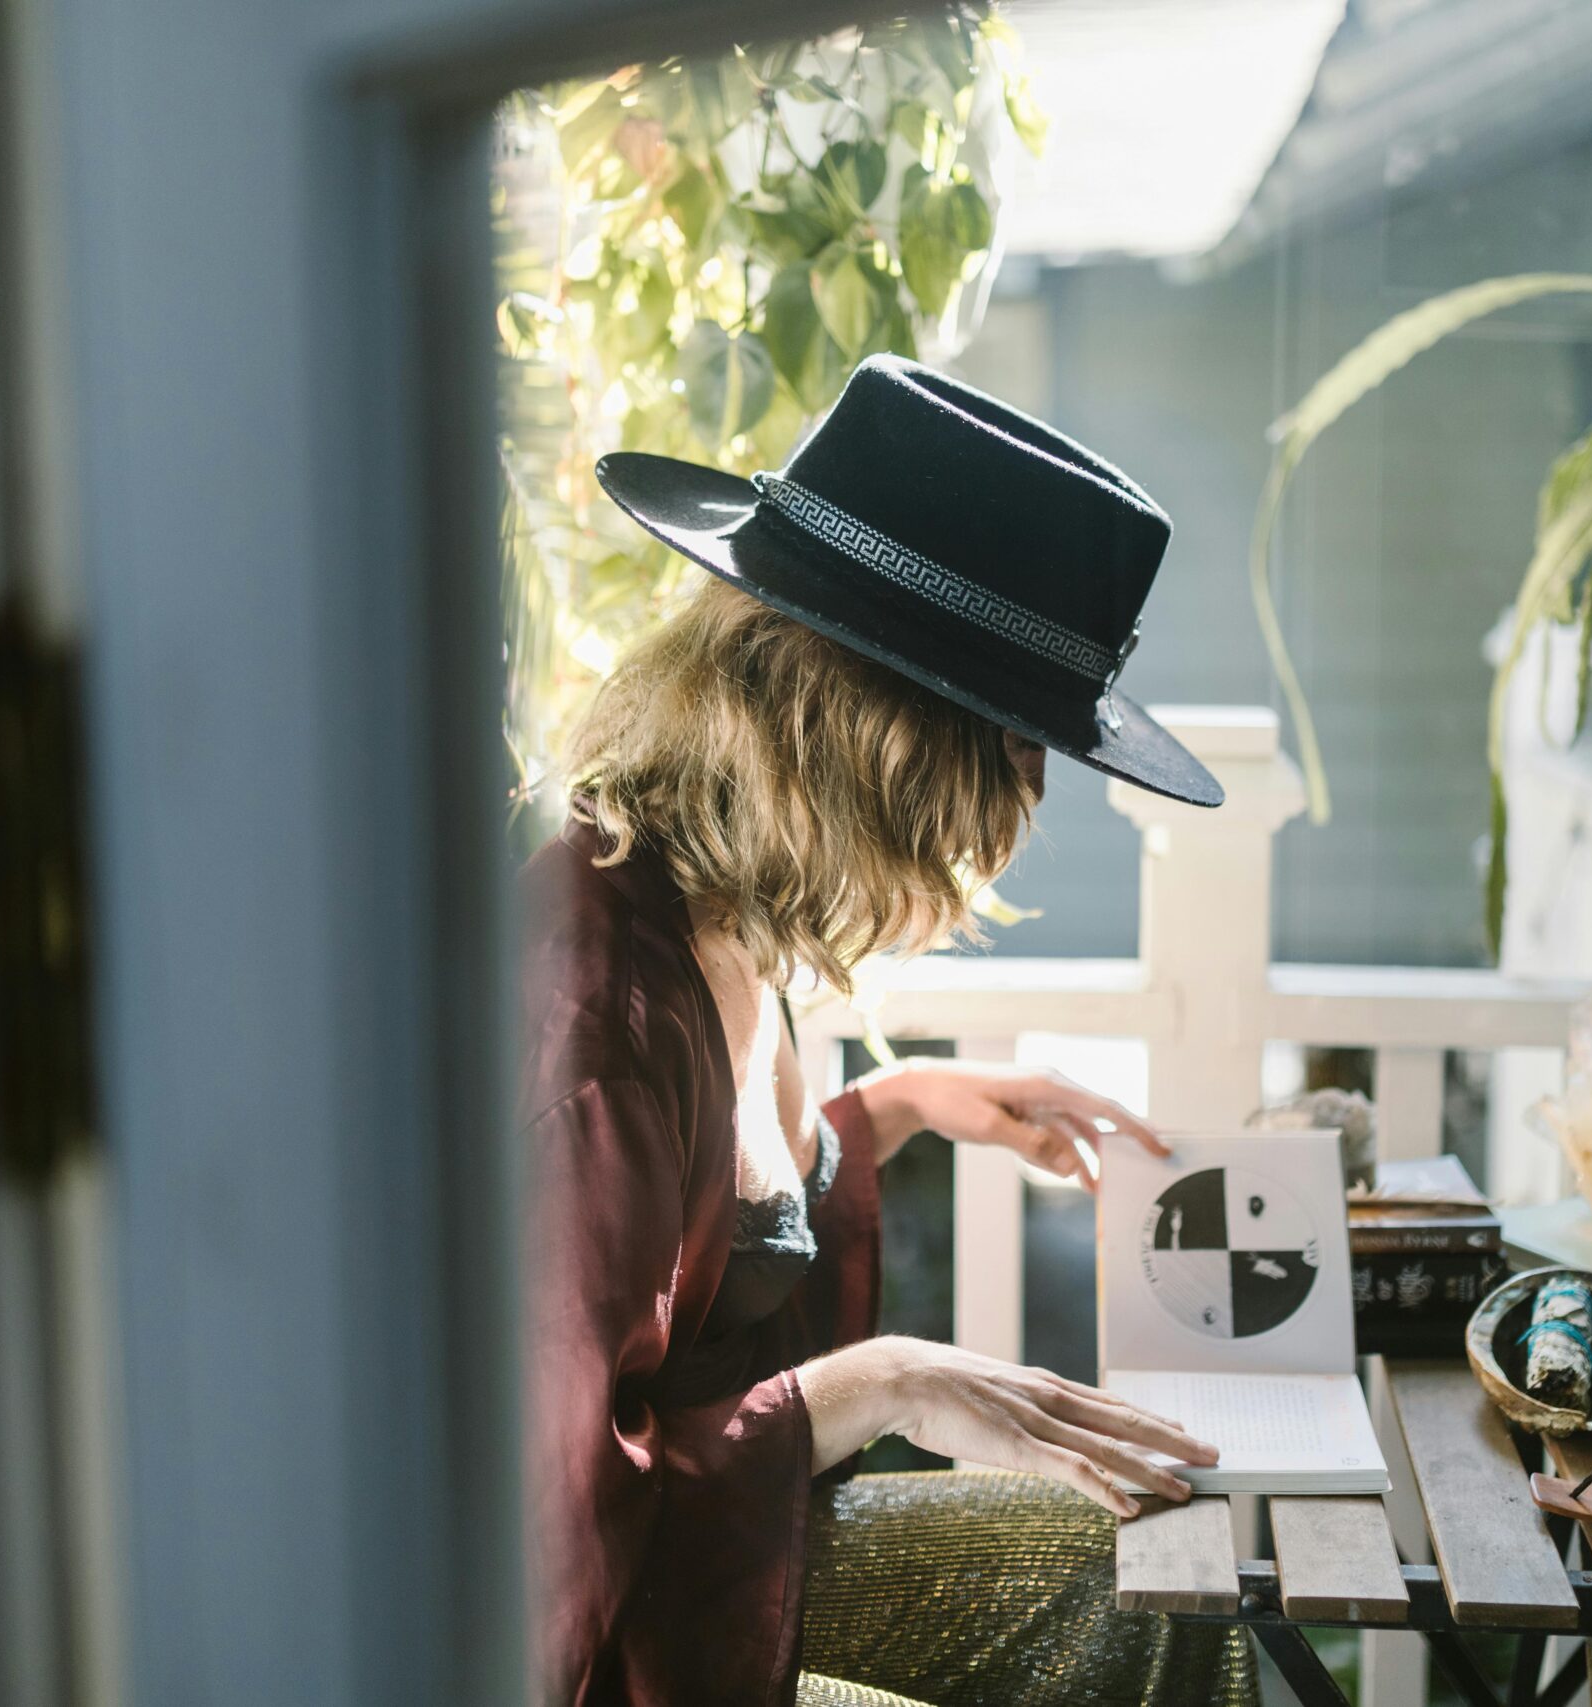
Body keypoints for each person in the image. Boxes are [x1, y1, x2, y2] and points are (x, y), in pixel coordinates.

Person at [522, 357, 1258, 1707]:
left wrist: (903, 1104)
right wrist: (876, 1386)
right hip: (617, 1643)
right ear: (863, 745)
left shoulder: (721, 908)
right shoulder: (597, 1030)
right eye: (1004, 766)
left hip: (695, 1567)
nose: (1011, 826)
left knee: (1144, 1568)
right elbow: (545, 1528)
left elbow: (711, 1243)